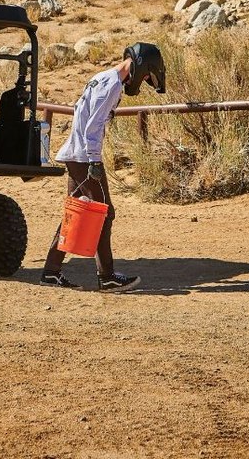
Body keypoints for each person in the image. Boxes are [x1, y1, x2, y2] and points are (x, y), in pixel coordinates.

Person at [40, 42, 166, 292]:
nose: (142, 83)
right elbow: (93, 127)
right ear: (141, 67)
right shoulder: (112, 86)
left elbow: (80, 113)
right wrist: (94, 160)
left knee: (78, 213)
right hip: (83, 158)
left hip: (76, 155)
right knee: (103, 214)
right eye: (147, 77)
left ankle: (51, 272)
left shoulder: (102, 78)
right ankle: (106, 276)